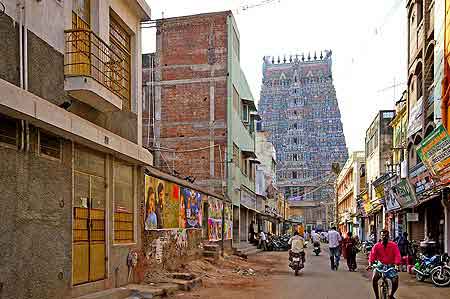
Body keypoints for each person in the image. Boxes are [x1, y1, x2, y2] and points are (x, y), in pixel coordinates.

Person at [368, 230, 401, 299]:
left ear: (388, 237)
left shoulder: (394, 245)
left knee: (395, 280)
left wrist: (396, 264)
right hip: (380, 265)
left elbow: (397, 255)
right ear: (380, 236)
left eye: (386, 236)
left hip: (390, 266)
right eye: (383, 235)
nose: (384, 237)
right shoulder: (376, 246)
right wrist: (370, 264)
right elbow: (372, 255)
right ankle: (377, 297)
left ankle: (391, 295)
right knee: (374, 279)